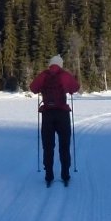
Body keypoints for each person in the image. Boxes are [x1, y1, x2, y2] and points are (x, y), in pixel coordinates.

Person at [29, 54, 79, 185]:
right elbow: (75, 87)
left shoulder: (44, 75)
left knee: (48, 146)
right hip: (62, 114)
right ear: (60, 64)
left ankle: (49, 175)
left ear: (50, 64)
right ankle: (65, 175)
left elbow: (33, 88)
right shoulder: (64, 75)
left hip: (47, 115)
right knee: (64, 145)